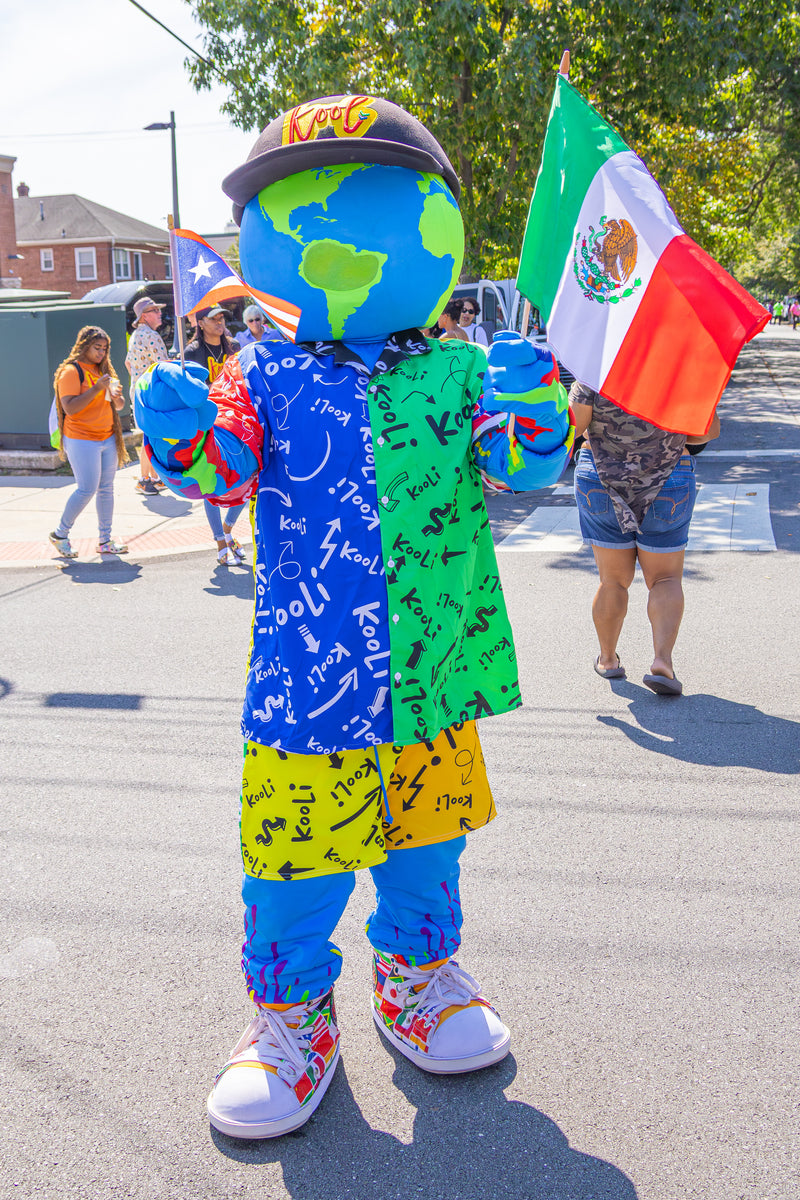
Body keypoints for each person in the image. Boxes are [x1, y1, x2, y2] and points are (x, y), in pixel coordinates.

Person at [135, 94, 574, 1141]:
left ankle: (415, 978)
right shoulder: (262, 372)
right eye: (299, 210)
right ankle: (290, 1018)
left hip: (431, 673)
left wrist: (536, 406)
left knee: (427, 844)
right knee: (295, 860)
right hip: (310, 681)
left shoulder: (460, 369)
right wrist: (180, 430)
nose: (334, 229)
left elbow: (523, 469)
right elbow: (220, 473)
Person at [570, 381, 720, 696]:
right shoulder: (681, 370)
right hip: (669, 475)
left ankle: (608, 660)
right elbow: (707, 431)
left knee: (612, 580)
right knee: (665, 579)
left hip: (600, 476)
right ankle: (662, 661)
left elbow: (574, 427)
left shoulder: (594, 367)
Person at [49, 325, 130, 558]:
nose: (101, 353)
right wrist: (97, 388)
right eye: (97, 348)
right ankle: (60, 534)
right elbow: (70, 408)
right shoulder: (71, 372)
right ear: (84, 346)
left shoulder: (103, 370)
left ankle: (105, 540)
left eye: (104, 349)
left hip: (107, 437)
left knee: (106, 489)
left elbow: (119, 405)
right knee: (86, 489)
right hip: (81, 439)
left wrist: (116, 396)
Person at [184, 306, 247, 565]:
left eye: (222, 318)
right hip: (208, 425)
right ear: (200, 323)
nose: (220, 322)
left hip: (237, 422)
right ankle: (221, 542)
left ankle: (228, 528)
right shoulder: (192, 353)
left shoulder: (233, 347)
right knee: (211, 482)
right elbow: (189, 392)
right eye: (214, 318)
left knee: (247, 476)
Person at [125, 297, 169, 495]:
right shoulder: (151, 335)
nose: (160, 313)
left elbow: (128, 363)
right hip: (152, 392)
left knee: (151, 435)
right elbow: (164, 367)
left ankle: (154, 478)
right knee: (151, 436)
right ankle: (145, 480)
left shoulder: (135, 335)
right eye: (155, 310)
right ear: (144, 316)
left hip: (138, 390)